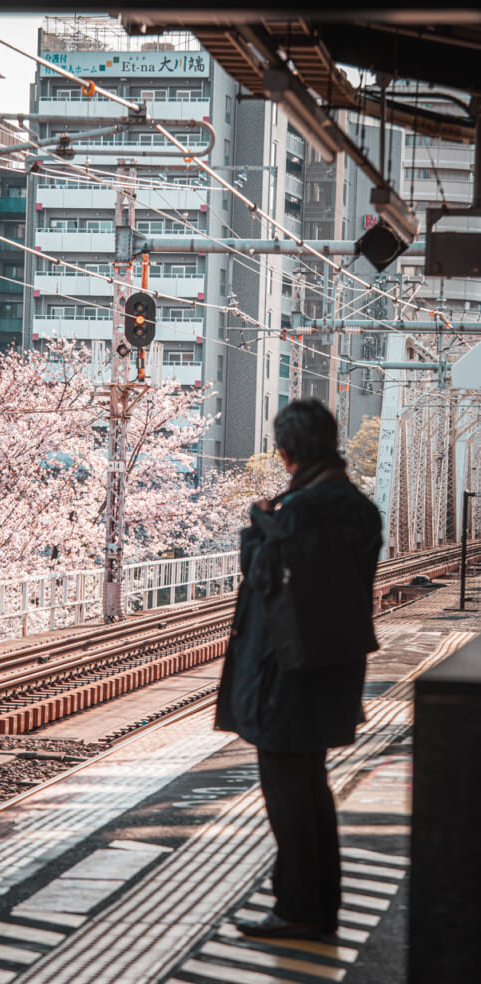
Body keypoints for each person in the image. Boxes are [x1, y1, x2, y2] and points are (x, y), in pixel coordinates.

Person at [216, 399, 382, 940]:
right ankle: (317, 906)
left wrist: (261, 523)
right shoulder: (359, 507)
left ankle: (297, 910)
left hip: (288, 674)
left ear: (288, 451)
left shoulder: (302, 511)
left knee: (289, 796)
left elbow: (268, 582)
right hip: (335, 667)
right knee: (311, 790)